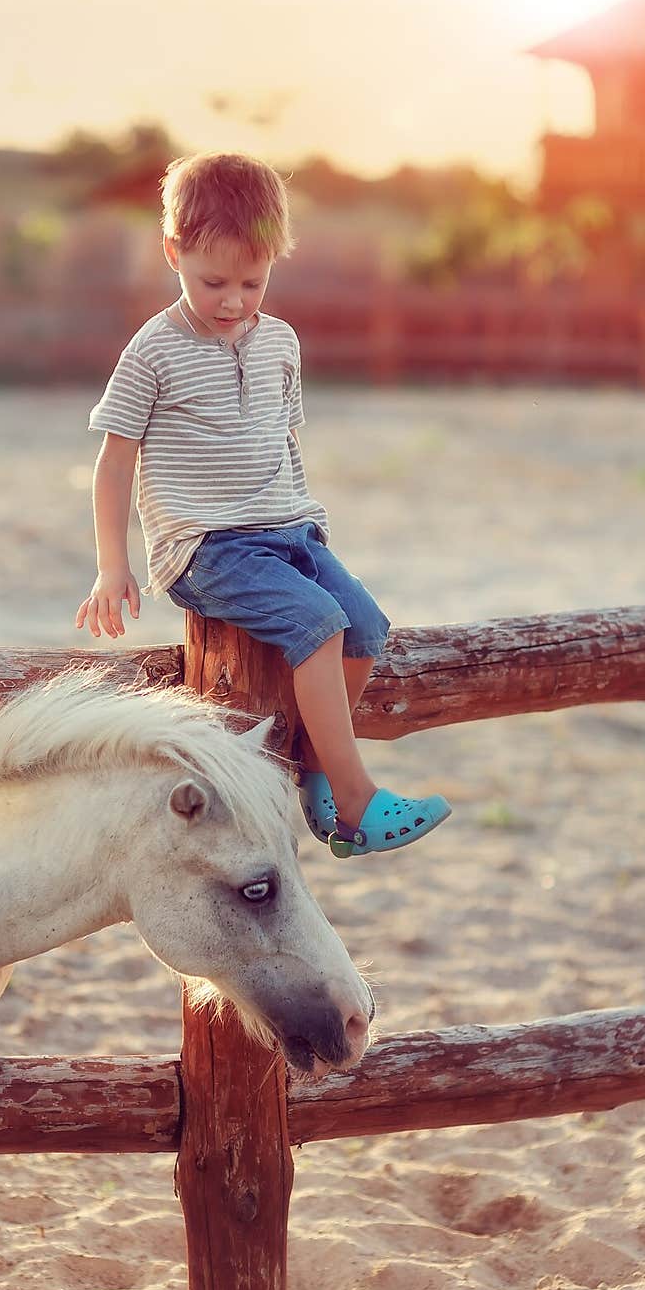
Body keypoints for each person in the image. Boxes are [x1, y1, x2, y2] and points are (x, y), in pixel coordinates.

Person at [75, 151, 450, 858]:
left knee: (365, 624)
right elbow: (114, 457)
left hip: (289, 530)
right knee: (316, 622)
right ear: (172, 253)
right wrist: (109, 565)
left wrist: (309, 525)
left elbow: (284, 438)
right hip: (207, 547)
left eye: (253, 281)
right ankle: (356, 800)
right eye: (212, 280)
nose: (233, 300)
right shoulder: (153, 350)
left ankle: (313, 772)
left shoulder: (280, 341)